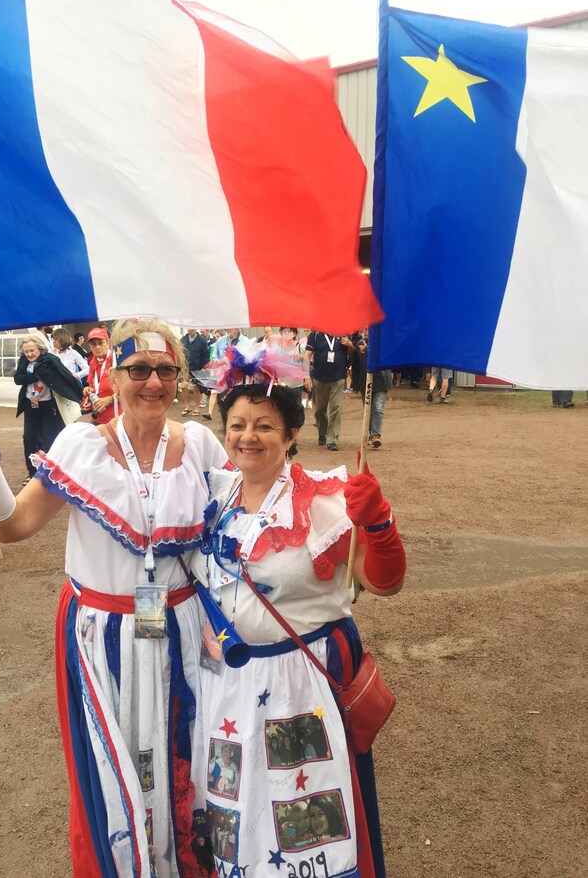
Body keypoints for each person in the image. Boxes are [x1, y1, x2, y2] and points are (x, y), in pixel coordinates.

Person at [0, 319, 229, 877]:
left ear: (179, 376)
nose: (153, 383)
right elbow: (11, 527)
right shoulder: (83, 445)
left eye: (165, 370)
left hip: (185, 630)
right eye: (138, 370)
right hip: (104, 639)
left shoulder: (201, 445)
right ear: (114, 375)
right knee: (112, 772)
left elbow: (233, 533)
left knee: (188, 758)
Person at [189, 342, 406, 878]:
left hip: (297, 686)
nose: (247, 436)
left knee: (301, 820)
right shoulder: (213, 497)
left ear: (289, 434)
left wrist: (377, 523)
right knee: (236, 810)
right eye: (237, 424)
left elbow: (384, 583)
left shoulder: (322, 501)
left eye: (263, 425)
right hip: (228, 687)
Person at [13, 332, 83, 484]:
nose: (29, 354)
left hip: (49, 406)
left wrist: (80, 394)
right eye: (26, 351)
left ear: (40, 348)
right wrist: (37, 376)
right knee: (29, 438)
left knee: (48, 439)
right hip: (31, 405)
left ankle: (50, 472)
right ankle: (32, 473)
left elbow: (66, 376)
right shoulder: (24, 362)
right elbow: (18, 379)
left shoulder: (50, 360)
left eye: (32, 350)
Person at [304, 330, 355, 451]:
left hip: (338, 377)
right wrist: (306, 376)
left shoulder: (343, 334)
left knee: (336, 407)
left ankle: (332, 440)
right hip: (320, 378)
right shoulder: (315, 335)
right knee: (320, 409)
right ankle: (323, 433)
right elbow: (307, 354)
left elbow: (352, 353)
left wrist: (350, 345)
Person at [82, 326, 116, 425]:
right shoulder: (93, 361)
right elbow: (93, 386)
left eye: (100, 343)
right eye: (93, 344)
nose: (97, 347)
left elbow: (128, 390)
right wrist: (88, 390)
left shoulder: (116, 360)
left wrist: (109, 399)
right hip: (98, 415)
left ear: (108, 343)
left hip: (115, 417)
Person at [179, 329, 210, 416]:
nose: (190, 332)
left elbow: (206, 355)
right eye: (189, 330)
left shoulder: (201, 340)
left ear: (195, 330)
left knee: (197, 388)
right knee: (184, 387)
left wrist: (203, 367)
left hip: (197, 368)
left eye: (191, 330)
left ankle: (197, 408)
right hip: (185, 368)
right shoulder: (183, 340)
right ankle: (187, 407)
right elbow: (179, 353)